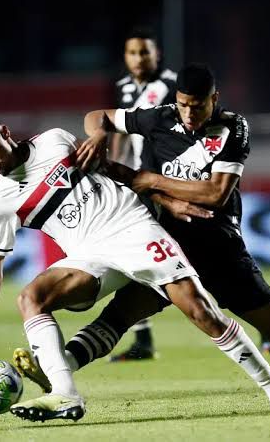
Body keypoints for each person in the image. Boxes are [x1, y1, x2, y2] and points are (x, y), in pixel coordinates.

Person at [62, 63, 270, 408]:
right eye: (183, 104)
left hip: (218, 248)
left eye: (197, 105)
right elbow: (96, 116)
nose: (188, 113)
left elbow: (215, 193)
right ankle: (54, 375)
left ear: (214, 99)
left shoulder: (233, 127)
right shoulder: (159, 118)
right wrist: (99, 134)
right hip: (165, 246)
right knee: (116, 318)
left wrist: (152, 180)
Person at [0, 112, 270, 423]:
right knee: (31, 297)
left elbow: (112, 170)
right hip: (88, 255)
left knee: (202, 312)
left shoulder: (55, 140)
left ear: (4, 132)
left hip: (131, 228)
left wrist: (166, 199)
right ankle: (65, 393)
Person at [107, 27, 178, 361]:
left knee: (198, 252)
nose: (139, 58)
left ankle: (264, 321)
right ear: (125, 57)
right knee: (135, 256)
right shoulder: (123, 87)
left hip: (167, 181)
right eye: (133, 53)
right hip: (139, 183)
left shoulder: (170, 85)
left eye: (145, 52)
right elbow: (120, 129)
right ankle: (143, 339)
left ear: (157, 54)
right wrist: (114, 165)